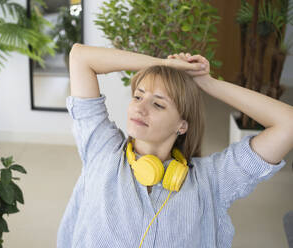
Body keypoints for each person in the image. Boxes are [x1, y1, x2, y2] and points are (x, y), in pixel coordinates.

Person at [57, 43, 293, 248]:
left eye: (158, 105)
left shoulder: (212, 182)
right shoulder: (101, 147)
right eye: (138, 97)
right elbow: (80, 57)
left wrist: (205, 82)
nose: (140, 108)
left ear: (182, 125)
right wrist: (163, 65)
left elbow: (288, 124)